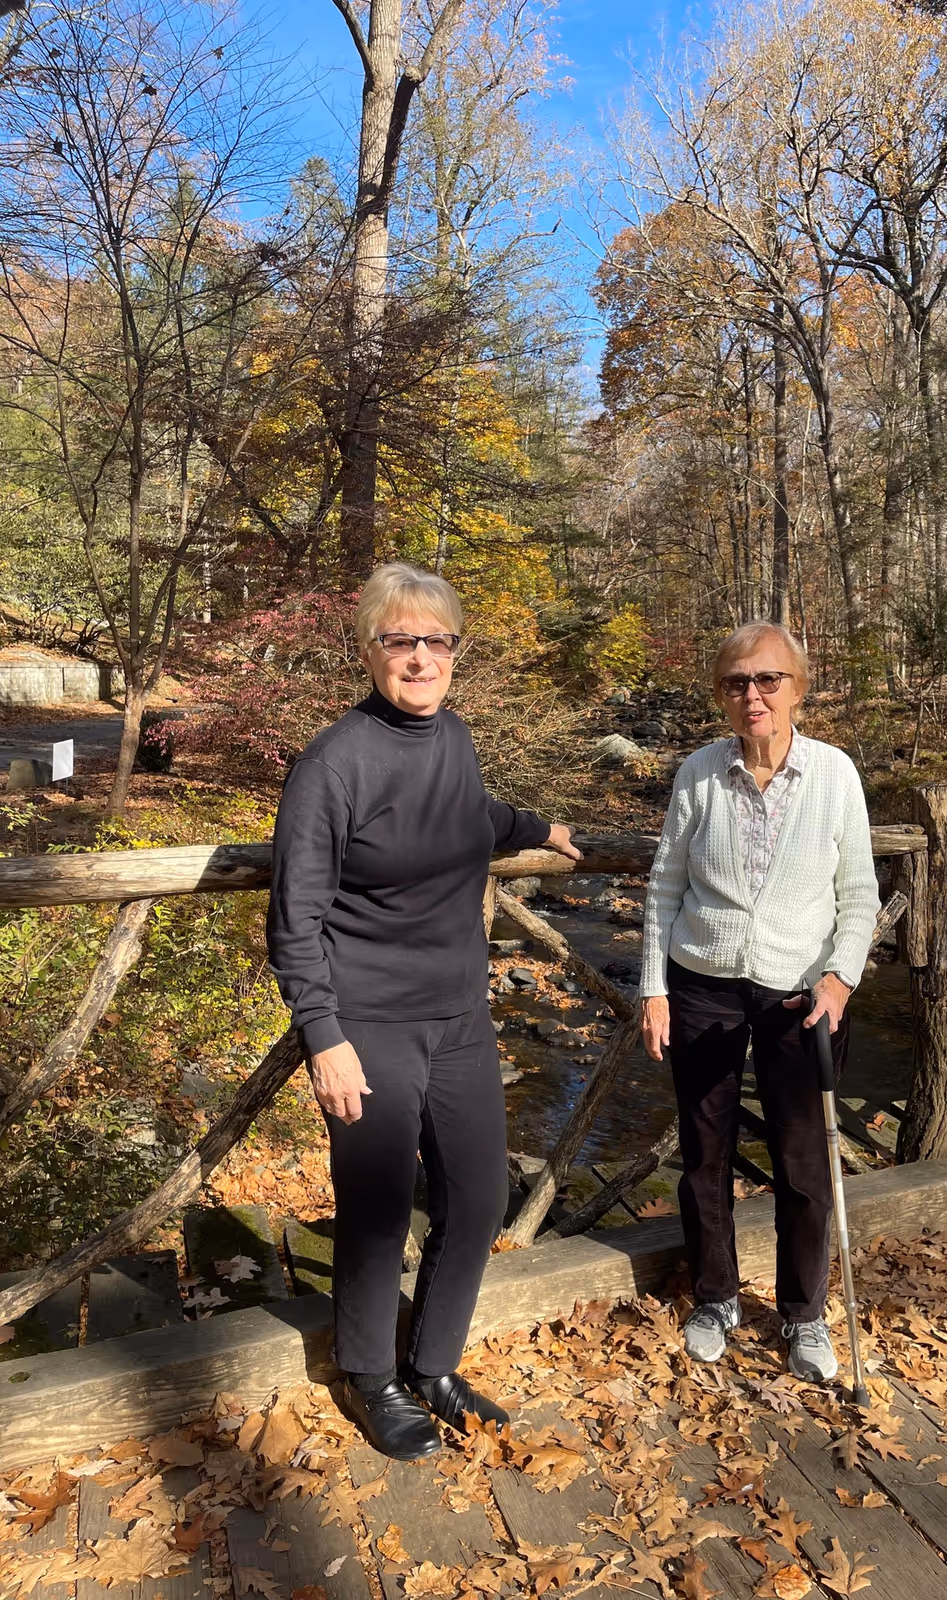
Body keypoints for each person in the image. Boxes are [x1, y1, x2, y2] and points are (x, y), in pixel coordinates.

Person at [267, 562, 580, 1460]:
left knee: (478, 1196)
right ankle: (371, 1375)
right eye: (399, 641)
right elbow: (295, 919)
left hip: (458, 1015)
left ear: (455, 652)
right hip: (368, 1021)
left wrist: (535, 828)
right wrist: (323, 1037)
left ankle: (433, 1363)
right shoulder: (332, 764)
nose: (419, 658)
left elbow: (465, 815)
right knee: (373, 1206)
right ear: (368, 650)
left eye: (435, 641)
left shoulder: (455, 739)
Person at [639, 621, 879, 1383]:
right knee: (704, 1151)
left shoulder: (834, 774)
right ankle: (716, 1297)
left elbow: (860, 894)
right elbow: (664, 889)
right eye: (737, 682)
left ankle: (805, 1313)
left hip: (801, 993)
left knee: (803, 1159)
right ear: (721, 694)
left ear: (797, 688)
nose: (753, 695)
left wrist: (840, 978)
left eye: (768, 679)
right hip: (702, 980)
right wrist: (651, 986)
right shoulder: (699, 774)